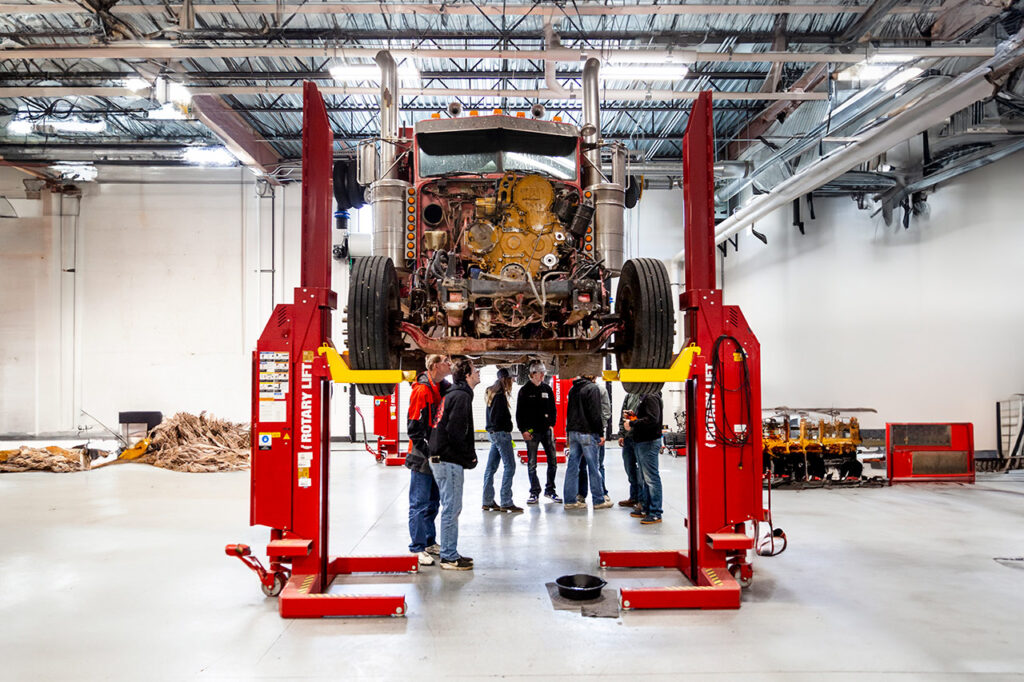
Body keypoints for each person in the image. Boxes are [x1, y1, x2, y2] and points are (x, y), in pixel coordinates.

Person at [428, 357, 480, 570]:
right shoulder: (460, 396)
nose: (478, 373)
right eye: (475, 370)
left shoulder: (455, 394)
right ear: (466, 375)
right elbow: (457, 432)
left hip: (444, 459)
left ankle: (451, 552)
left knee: (451, 507)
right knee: (452, 508)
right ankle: (449, 557)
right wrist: (469, 456)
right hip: (448, 460)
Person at [405, 354, 451, 566]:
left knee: (433, 501)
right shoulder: (421, 391)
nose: (449, 364)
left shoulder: (442, 387)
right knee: (420, 502)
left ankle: (429, 541)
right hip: (422, 455)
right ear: (434, 366)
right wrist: (429, 451)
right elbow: (414, 429)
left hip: (435, 454)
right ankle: (417, 547)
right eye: (445, 361)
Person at [563, 375, 612, 510]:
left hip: (573, 433)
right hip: (587, 433)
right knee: (594, 467)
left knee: (572, 467)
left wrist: (568, 433)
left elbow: (569, 412)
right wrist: (601, 433)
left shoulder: (573, 388)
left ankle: (570, 501)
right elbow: (595, 414)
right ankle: (598, 500)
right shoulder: (593, 389)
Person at [515, 362, 562, 504]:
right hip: (532, 433)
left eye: (543, 373)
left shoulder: (547, 389)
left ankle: (550, 490)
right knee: (532, 463)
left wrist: (551, 425)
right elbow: (519, 414)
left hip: (546, 431)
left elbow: (553, 409)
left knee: (552, 461)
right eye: (540, 373)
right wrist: (523, 430)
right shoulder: (524, 390)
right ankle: (534, 492)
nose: (542, 375)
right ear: (532, 374)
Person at [482, 368, 522, 513]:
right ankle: (506, 501)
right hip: (501, 434)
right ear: (506, 379)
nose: (512, 381)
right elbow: (500, 418)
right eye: (511, 379)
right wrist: (509, 426)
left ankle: (487, 501)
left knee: (491, 468)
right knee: (510, 466)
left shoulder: (491, 393)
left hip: (493, 434)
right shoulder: (499, 396)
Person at [625, 389, 664, 524]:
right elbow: (646, 417)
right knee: (645, 478)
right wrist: (634, 418)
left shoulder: (651, 396)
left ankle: (655, 513)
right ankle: (647, 508)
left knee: (651, 478)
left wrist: (632, 423)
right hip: (642, 441)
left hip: (649, 441)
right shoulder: (644, 396)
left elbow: (652, 419)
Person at [578, 382, 611, 504]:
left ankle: (603, 493)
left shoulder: (601, 390)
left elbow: (606, 412)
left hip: (596, 433)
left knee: (598, 465)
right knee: (581, 466)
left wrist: (600, 431)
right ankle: (581, 494)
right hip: (581, 433)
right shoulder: (578, 389)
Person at [617, 392, 643, 508]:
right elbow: (623, 414)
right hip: (628, 437)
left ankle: (642, 500)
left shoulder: (650, 395)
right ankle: (634, 498)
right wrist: (622, 433)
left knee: (641, 472)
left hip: (640, 438)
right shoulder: (630, 395)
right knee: (630, 468)